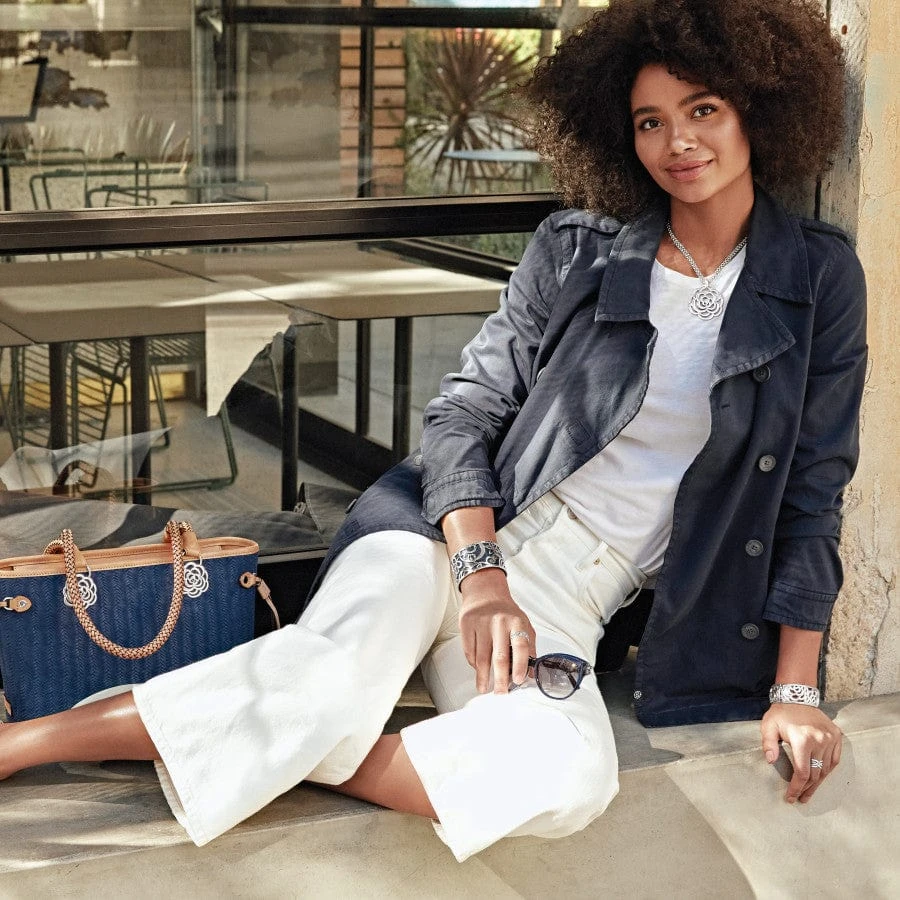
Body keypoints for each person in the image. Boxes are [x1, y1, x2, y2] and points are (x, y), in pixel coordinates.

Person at [0, 0, 866, 863]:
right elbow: (462, 414)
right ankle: (24, 743)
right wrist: (481, 575)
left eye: (703, 109)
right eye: (650, 121)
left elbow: (812, 495)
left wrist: (794, 689)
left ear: (758, 106)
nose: (678, 142)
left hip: (570, 597)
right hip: (442, 531)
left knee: (568, 777)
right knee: (328, 680)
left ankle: (285, 750)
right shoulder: (579, 250)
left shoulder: (817, 276)